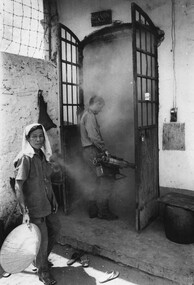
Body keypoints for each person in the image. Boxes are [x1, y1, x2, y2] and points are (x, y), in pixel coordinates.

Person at [14, 123, 61, 285]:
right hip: (34, 206)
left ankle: (39, 260)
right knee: (42, 239)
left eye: (41, 136)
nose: (38, 139)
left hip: (46, 202)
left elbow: (47, 180)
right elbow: (18, 185)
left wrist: (53, 198)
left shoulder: (41, 155)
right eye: (34, 137)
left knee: (55, 229)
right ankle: (43, 272)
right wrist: (24, 211)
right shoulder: (25, 158)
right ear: (27, 139)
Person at [80, 95, 118, 220]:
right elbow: (94, 137)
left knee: (93, 180)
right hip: (92, 151)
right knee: (105, 180)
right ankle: (103, 212)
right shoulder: (90, 116)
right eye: (101, 107)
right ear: (96, 103)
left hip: (88, 151)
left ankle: (93, 210)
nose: (101, 110)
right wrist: (104, 149)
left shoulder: (85, 115)